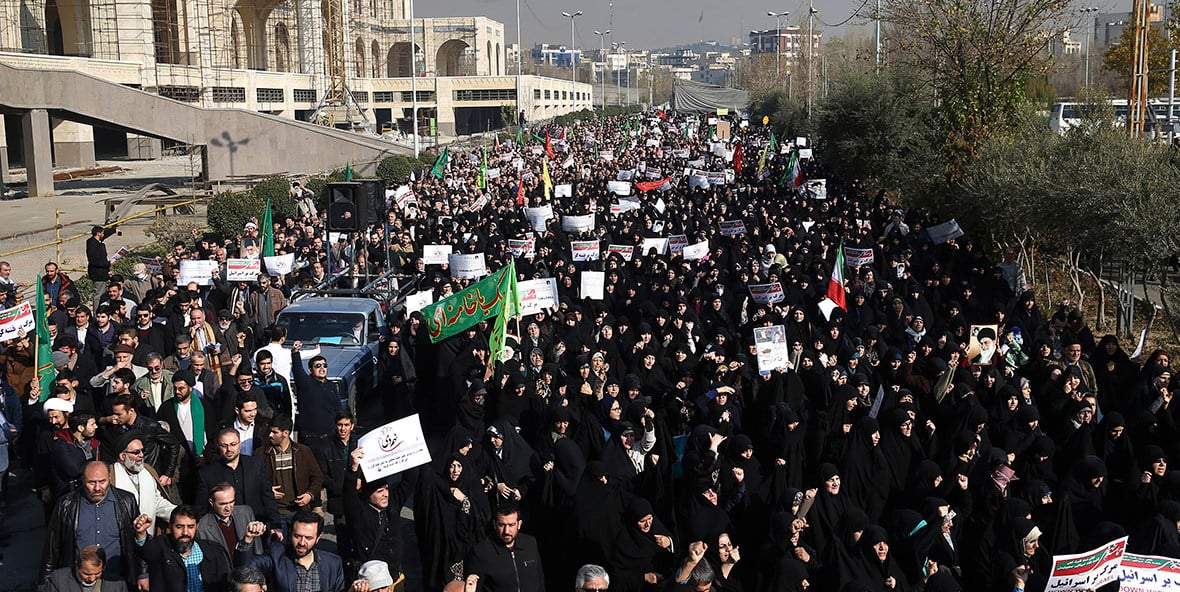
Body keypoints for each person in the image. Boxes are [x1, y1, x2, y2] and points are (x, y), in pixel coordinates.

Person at [40, 461, 152, 588]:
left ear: (110, 478)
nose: (97, 488)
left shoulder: (126, 501)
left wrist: (143, 573)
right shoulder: (66, 505)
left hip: (116, 580)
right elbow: (52, 548)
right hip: (78, 582)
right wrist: (44, 584)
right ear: (83, 480)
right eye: (91, 482)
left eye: (102, 481)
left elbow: (137, 543)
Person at [342, 446, 418, 580]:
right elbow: (348, 493)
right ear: (368, 495)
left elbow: (409, 480)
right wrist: (353, 468)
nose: (385, 494)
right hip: (373, 579)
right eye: (379, 491)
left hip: (395, 573)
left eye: (386, 489)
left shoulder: (392, 504)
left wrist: (404, 453)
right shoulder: (358, 512)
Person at [235, 510, 347, 592]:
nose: (302, 543)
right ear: (290, 533)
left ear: (318, 538)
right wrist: (248, 539)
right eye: (297, 536)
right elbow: (244, 569)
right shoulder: (277, 554)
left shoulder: (333, 563)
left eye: (308, 538)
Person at [196, 428, 279, 529]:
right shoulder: (207, 474)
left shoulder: (255, 465)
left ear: (240, 444)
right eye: (224, 445)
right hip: (225, 530)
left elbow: (268, 497)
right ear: (218, 446)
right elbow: (202, 508)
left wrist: (275, 524)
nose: (229, 449)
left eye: (233, 444)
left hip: (257, 525)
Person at [138, 505, 233, 592]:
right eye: (179, 527)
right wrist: (141, 534)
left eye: (190, 527)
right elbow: (145, 550)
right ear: (171, 527)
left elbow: (223, 585)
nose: (185, 532)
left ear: (197, 527)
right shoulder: (161, 546)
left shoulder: (213, 551)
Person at [464, 503, 545, 592]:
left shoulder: (530, 544)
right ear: (494, 524)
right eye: (501, 525)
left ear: (519, 524)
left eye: (511, 525)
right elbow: (473, 588)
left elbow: (540, 582)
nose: (506, 531)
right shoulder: (481, 552)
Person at [263, 414, 324, 525]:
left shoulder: (303, 452)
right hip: (274, 513)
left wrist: (309, 495)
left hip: (299, 513)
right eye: (270, 431)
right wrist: (267, 490)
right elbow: (254, 481)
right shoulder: (261, 453)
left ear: (286, 433)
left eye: (275, 432)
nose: (270, 435)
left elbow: (317, 477)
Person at [109, 433, 177, 523]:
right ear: (122, 456)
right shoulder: (110, 475)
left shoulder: (148, 471)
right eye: (136, 452)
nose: (141, 455)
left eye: (142, 451)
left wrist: (178, 514)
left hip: (147, 532)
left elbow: (155, 502)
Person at [290, 340, 343, 448]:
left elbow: (339, 410)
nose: (322, 368)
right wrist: (295, 352)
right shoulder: (306, 383)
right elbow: (297, 370)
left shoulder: (332, 386)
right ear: (310, 370)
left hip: (330, 437)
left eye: (324, 365)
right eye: (318, 366)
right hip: (310, 439)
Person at [196, 483, 265, 561]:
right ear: (211, 502)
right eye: (223, 504)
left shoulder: (245, 513)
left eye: (231, 502)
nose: (228, 508)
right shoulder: (202, 526)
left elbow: (258, 549)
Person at [45, 545, 129, 592]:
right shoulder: (59, 581)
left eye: (97, 573)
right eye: (87, 574)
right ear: (77, 566)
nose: (92, 579)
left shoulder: (117, 584)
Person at [87, 225, 115, 309]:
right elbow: (94, 261)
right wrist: (108, 264)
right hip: (98, 274)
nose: (104, 235)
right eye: (102, 233)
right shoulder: (93, 244)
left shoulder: (95, 242)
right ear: (98, 234)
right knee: (99, 295)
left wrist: (114, 230)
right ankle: (98, 313)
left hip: (102, 273)